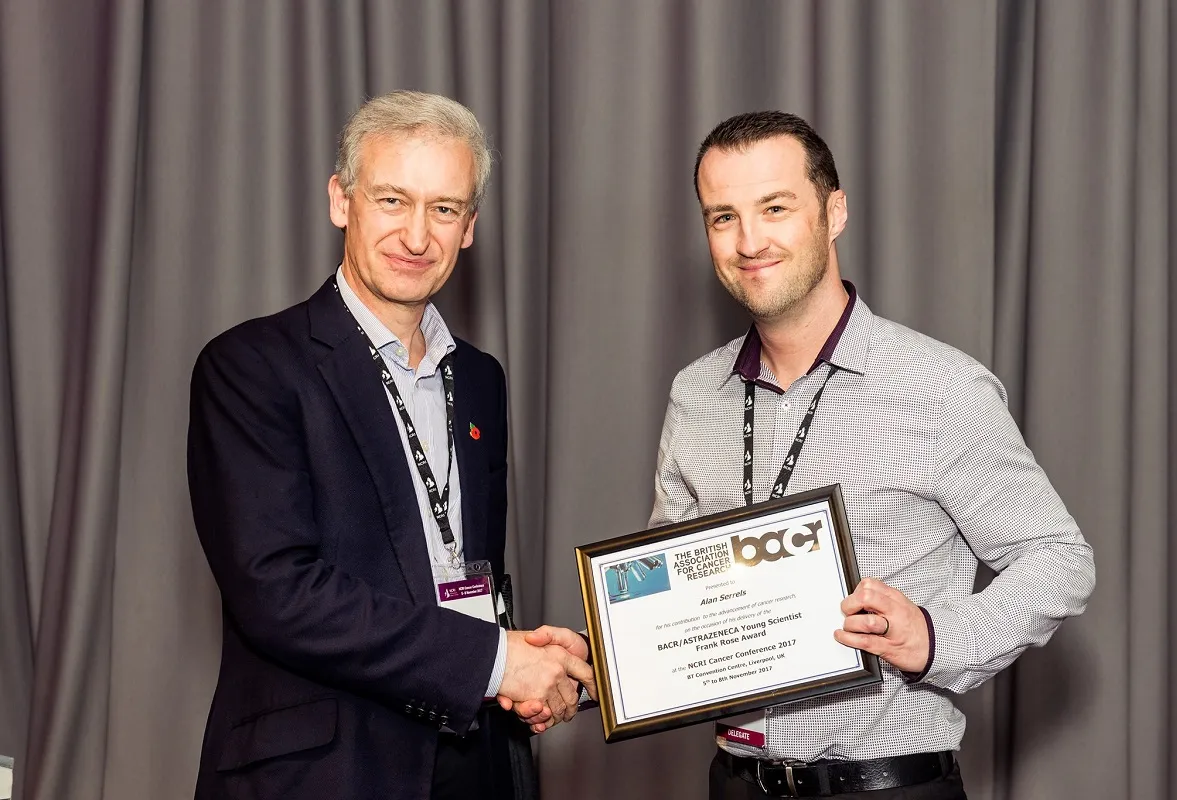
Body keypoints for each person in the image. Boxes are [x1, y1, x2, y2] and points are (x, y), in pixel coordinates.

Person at [651, 111, 1096, 798]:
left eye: (775, 208)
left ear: (833, 212)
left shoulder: (943, 388)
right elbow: (671, 575)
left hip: (887, 787)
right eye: (722, 217)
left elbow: (1060, 560)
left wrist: (937, 637)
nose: (749, 241)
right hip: (734, 782)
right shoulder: (695, 393)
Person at [187, 90, 593, 800]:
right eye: (392, 200)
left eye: (443, 209)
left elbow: (461, 576)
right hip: (324, 772)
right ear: (341, 200)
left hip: (475, 759)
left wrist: (528, 663)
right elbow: (278, 592)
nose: (416, 236)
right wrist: (499, 661)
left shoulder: (482, 380)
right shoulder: (250, 366)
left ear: (469, 226)